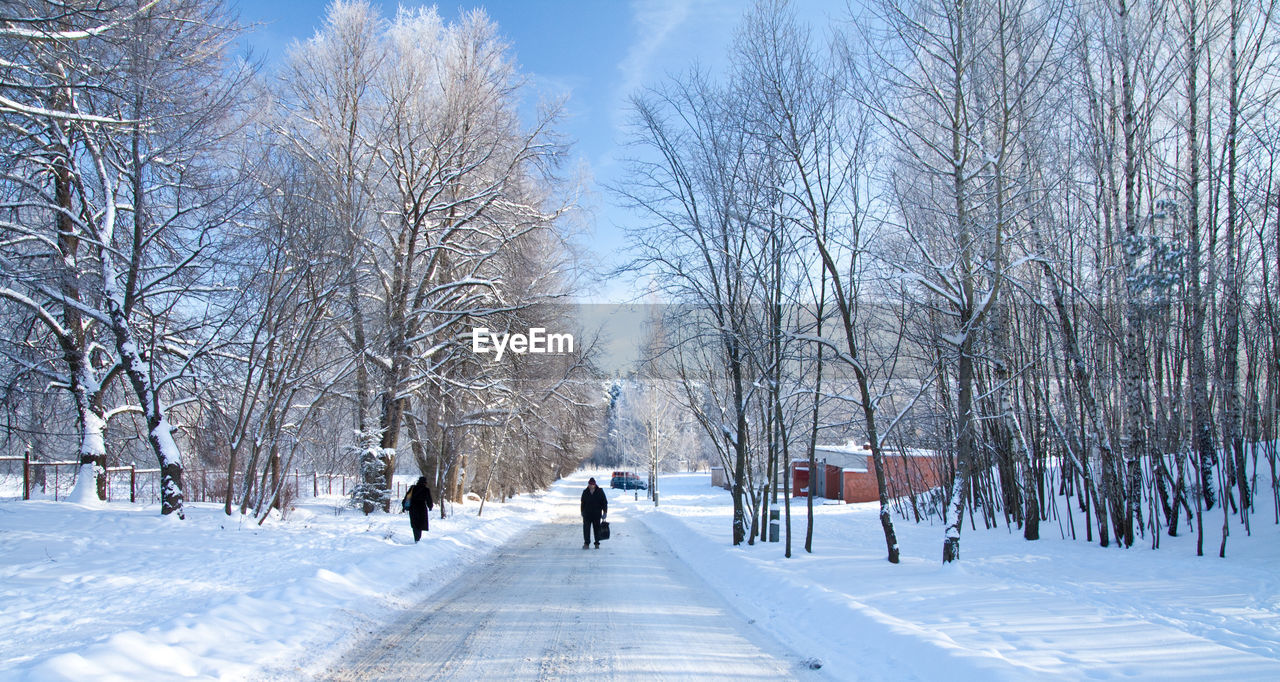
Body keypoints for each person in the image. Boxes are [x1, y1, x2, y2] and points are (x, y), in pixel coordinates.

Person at [403, 476, 434, 543]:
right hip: (422, 508)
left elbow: (407, 497)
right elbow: (429, 499)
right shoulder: (426, 490)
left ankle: (416, 538)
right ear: (425, 483)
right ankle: (418, 539)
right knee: (420, 524)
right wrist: (430, 506)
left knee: (414, 523)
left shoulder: (412, 488)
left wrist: (404, 506)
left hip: (413, 508)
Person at [580, 477, 608, 549]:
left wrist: (605, 512)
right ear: (588, 484)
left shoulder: (600, 491)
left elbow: (604, 502)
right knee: (586, 529)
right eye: (590, 484)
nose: (591, 486)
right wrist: (582, 511)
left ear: (595, 485)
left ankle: (597, 543)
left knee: (597, 529)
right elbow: (583, 503)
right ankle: (586, 543)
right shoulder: (585, 492)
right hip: (587, 514)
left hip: (596, 514)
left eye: (592, 484)